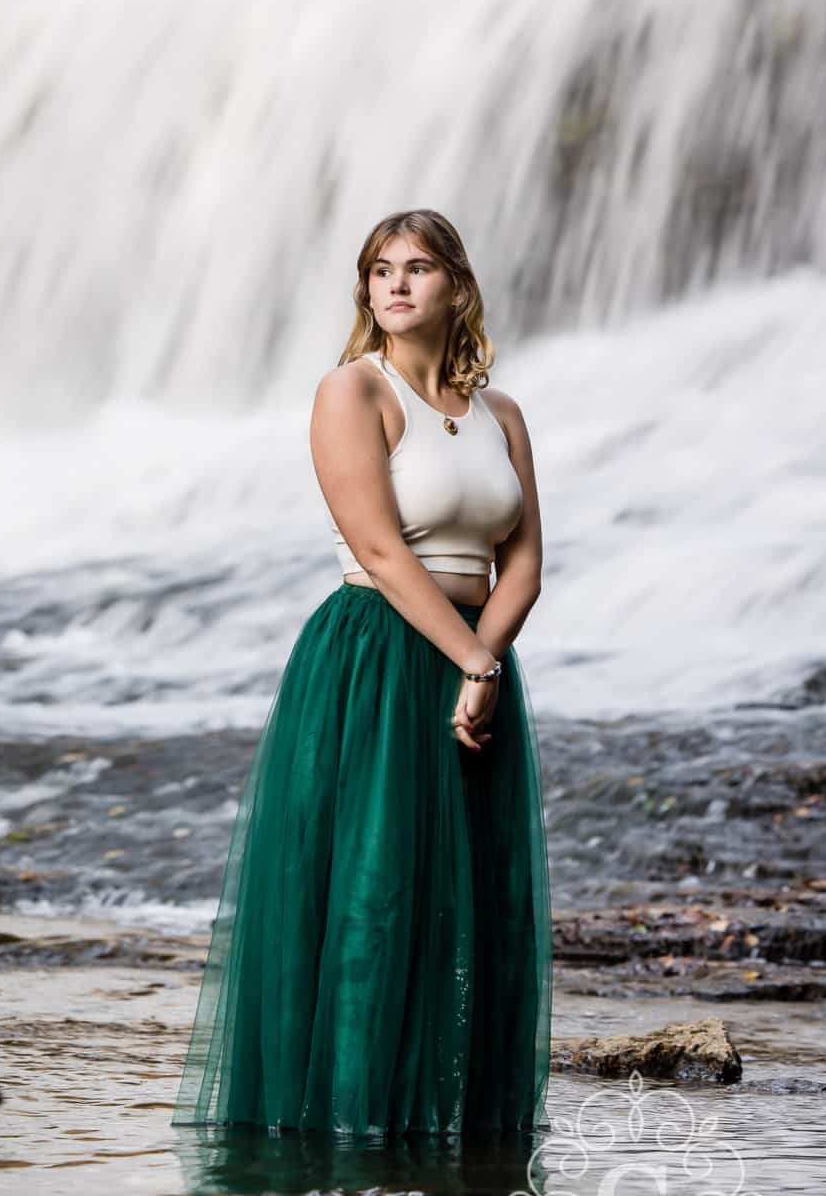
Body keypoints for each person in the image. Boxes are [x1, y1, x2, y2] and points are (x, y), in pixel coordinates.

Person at [170, 208, 553, 1139]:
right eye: (380, 270)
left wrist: (483, 658)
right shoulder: (353, 392)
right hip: (375, 658)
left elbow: (528, 560)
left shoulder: (501, 414)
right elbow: (381, 552)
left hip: (473, 660)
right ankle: (342, 1126)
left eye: (418, 268)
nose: (395, 285)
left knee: (470, 892)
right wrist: (470, 658)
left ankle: (449, 1130)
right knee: (373, 890)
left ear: (456, 287)